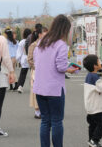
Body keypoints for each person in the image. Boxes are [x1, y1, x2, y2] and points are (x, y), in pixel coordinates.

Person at [33, 15, 78, 147]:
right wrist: (71, 70)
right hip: (54, 90)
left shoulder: (40, 43)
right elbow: (61, 67)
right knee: (57, 121)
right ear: (65, 29)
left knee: (45, 121)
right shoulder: (61, 45)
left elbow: (37, 62)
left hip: (40, 88)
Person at [83, 54, 102, 147]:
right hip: (96, 107)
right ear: (95, 66)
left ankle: (91, 141)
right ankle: (95, 140)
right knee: (101, 123)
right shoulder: (94, 77)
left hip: (90, 106)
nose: (100, 62)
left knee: (92, 125)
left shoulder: (89, 76)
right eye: (98, 61)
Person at [28, 26, 48, 119]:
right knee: (35, 91)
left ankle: (44, 110)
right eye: (45, 33)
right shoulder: (34, 45)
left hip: (46, 72)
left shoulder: (48, 44)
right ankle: (37, 111)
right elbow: (30, 59)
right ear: (39, 34)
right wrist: (38, 67)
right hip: (36, 72)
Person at [14, 28, 32, 93]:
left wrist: (18, 60)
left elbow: (19, 52)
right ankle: (34, 86)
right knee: (33, 73)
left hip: (24, 60)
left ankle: (20, 86)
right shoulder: (32, 41)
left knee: (23, 74)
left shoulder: (22, 42)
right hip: (32, 59)